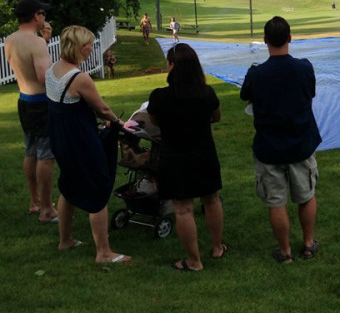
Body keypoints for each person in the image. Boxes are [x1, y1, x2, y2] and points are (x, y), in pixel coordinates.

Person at [45, 25, 130, 263]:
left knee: (69, 187)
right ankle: (103, 252)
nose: (93, 49)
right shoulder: (79, 78)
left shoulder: (52, 70)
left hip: (60, 139)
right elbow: (101, 108)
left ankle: (65, 241)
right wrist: (118, 122)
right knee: (97, 189)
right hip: (80, 141)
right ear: (82, 48)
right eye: (91, 45)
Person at [240, 16, 321, 264]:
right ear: (290, 38)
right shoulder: (305, 68)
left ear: (265, 41)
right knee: (306, 195)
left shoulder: (256, 74)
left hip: (269, 147)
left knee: (276, 202)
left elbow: (246, 96)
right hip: (301, 144)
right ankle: (308, 244)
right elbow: (311, 91)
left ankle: (285, 252)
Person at [147, 43, 225, 271]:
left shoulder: (160, 97)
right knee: (212, 200)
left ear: (172, 66)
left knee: (183, 209)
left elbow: (154, 121)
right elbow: (216, 117)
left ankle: (194, 260)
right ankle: (218, 246)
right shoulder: (206, 93)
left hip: (174, 157)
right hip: (204, 154)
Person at [5, 0, 58, 223]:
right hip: (41, 102)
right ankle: (47, 209)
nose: (45, 17)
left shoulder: (10, 40)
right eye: (42, 13)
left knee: (31, 151)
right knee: (46, 155)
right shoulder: (36, 43)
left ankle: (35, 201)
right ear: (36, 16)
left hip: (24, 99)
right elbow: (43, 77)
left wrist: (43, 43)